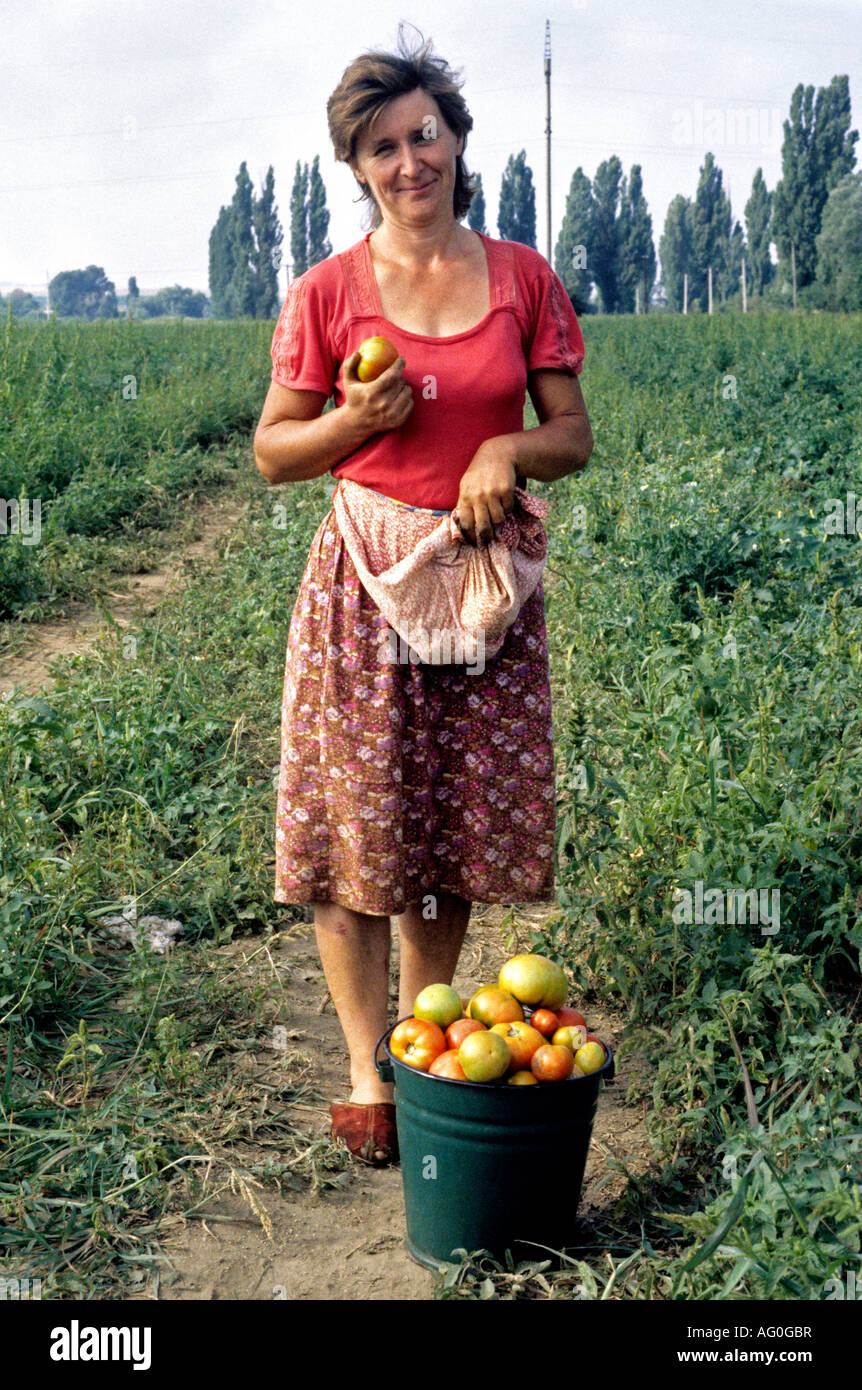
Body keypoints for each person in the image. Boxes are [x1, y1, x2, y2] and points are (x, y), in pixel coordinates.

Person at [253, 25, 593, 1166]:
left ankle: (420, 1031)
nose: (412, 162)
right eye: (385, 146)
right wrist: (353, 424)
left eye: (427, 134)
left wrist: (506, 450)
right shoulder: (328, 293)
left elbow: (571, 435)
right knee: (355, 829)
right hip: (361, 584)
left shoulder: (521, 279)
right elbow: (272, 451)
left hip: (481, 592)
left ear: (457, 141)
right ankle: (367, 1070)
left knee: (445, 827)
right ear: (356, 167)